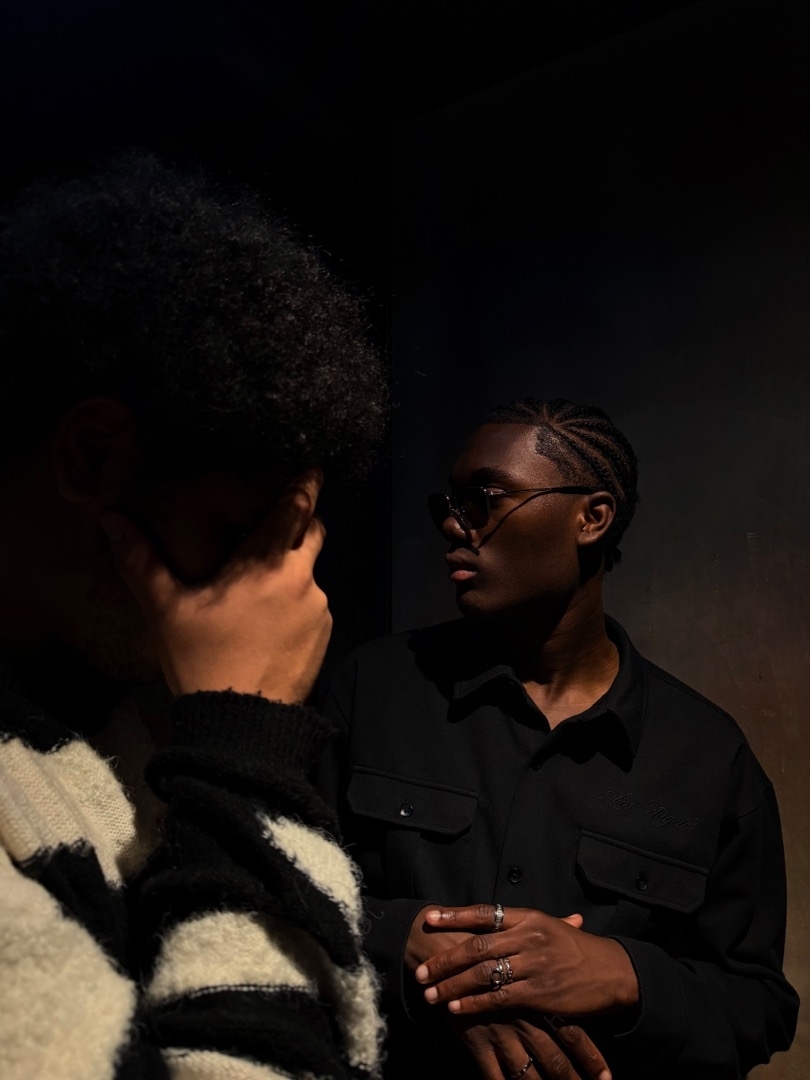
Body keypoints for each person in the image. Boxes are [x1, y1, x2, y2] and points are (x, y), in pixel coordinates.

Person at [0, 153, 387, 1080]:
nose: (285, 597)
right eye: (236, 535)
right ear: (94, 459)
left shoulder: (106, 731)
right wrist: (246, 751)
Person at [320, 398, 799, 1080]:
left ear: (592, 517)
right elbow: (273, 892)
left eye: (485, 499)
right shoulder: (374, 689)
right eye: (449, 503)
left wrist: (622, 972)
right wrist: (410, 947)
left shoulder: (710, 759)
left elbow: (758, 1006)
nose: (454, 525)